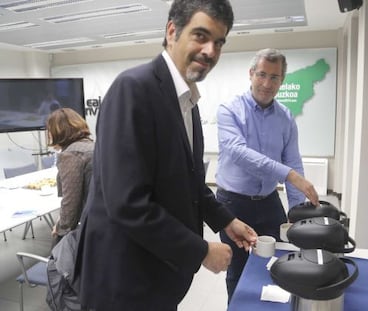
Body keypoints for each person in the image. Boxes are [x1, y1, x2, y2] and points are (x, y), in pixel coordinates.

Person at [73, 1, 257, 310]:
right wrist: (201, 252)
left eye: (219, 42)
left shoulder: (188, 102)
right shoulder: (133, 89)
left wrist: (226, 220)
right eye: (201, 35)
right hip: (124, 283)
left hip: (158, 276)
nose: (211, 51)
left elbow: (190, 183)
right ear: (172, 32)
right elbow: (128, 204)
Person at [216, 48, 320, 302]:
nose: (266, 83)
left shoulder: (285, 117)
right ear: (251, 74)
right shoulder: (229, 110)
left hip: (268, 201)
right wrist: (290, 175)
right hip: (232, 203)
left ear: (282, 81)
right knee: (237, 269)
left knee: (279, 262)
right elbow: (241, 154)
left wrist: (298, 213)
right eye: (261, 74)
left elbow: (292, 161)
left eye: (274, 77)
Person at [46, 108, 94, 248]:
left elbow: (71, 203)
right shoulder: (92, 146)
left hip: (89, 229)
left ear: (57, 132)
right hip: (105, 224)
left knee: (57, 249)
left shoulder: (71, 155)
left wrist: (60, 228)